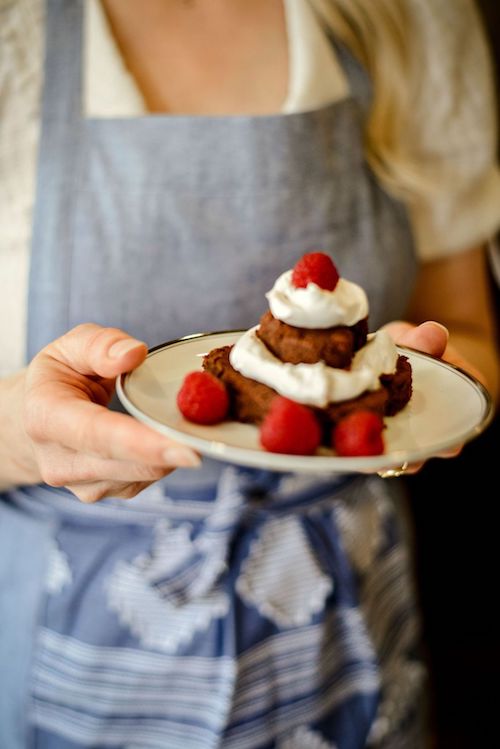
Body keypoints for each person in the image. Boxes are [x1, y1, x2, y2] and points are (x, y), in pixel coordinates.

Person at [0, 0, 499, 747]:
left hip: (346, 609)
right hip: (78, 636)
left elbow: (465, 325)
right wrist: (16, 436)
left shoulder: (416, 13)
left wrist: (433, 381)